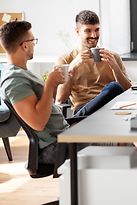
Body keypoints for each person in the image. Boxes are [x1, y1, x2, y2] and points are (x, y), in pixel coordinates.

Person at [0, 20, 86, 165]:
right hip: (53, 146)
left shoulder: (24, 73)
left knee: (115, 138)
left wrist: (53, 86)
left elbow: (45, 105)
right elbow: (38, 123)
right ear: (25, 45)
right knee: (117, 143)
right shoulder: (14, 81)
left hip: (63, 135)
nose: (34, 44)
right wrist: (49, 84)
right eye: (33, 40)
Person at [55, 10, 132, 116]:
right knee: (114, 87)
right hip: (84, 111)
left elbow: (128, 92)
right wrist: (71, 68)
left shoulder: (112, 57)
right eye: (88, 31)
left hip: (110, 110)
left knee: (114, 87)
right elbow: (60, 99)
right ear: (78, 32)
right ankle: (78, 120)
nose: (94, 35)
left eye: (97, 30)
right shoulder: (65, 60)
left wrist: (115, 68)